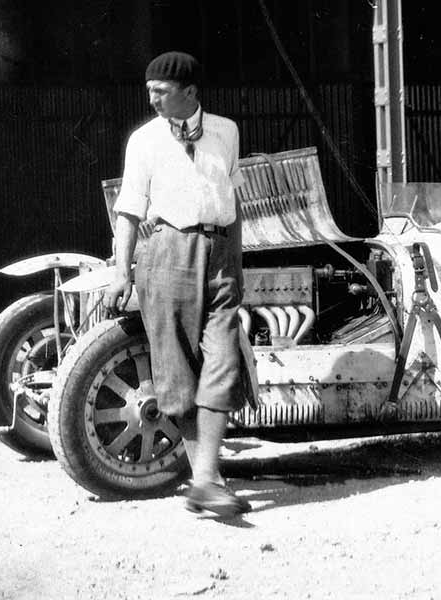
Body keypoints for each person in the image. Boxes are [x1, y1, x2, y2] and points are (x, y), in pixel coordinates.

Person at [103, 51, 252, 515]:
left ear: (190, 91)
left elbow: (233, 195)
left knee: (224, 360)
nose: (152, 99)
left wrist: (236, 256)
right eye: (149, 91)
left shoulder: (227, 131)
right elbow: (129, 211)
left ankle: (206, 479)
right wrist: (119, 272)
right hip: (167, 253)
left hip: (222, 254)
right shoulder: (143, 141)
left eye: (161, 91)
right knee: (177, 370)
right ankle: (206, 477)